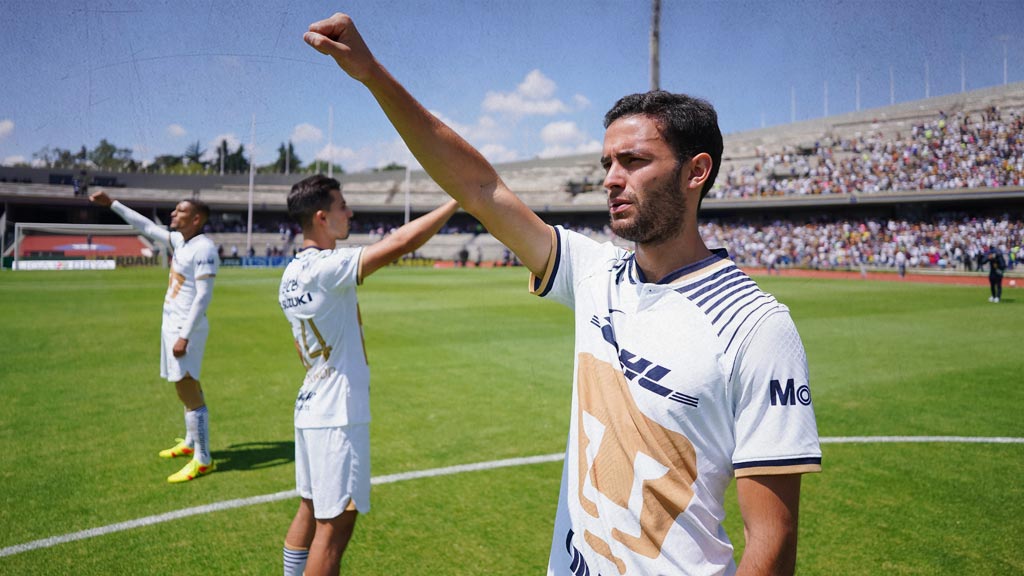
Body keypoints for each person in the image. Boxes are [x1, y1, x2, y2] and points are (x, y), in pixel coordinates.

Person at [303, 12, 821, 576]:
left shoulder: (757, 326)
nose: (610, 179)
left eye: (635, 161)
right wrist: (373, 75)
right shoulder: (596, 273)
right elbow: (480, 187)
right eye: (607, 164)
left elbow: (771, 541)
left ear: (696, 171)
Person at [279, 174, 458, 576]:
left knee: (309, 509)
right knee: (335, 527)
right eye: (343, 206)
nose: (351, 212)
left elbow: (299, 348)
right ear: (322, 217)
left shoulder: (289, 274)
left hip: (310, 404)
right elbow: (400, 243)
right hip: (337, 414)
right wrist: (456, 201)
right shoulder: (328, 267)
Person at [88, 190, 219, 483]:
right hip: (172, 324)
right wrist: (113, 204)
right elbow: (145, 226)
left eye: (180, 210)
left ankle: (204, 459)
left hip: (187, 328)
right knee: (187, 384)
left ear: (196, 219)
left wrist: (184, 335)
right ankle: (190, 441)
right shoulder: (179, 241)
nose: (173, 214)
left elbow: (203, 297)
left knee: (187, 387)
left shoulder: (204, 249)